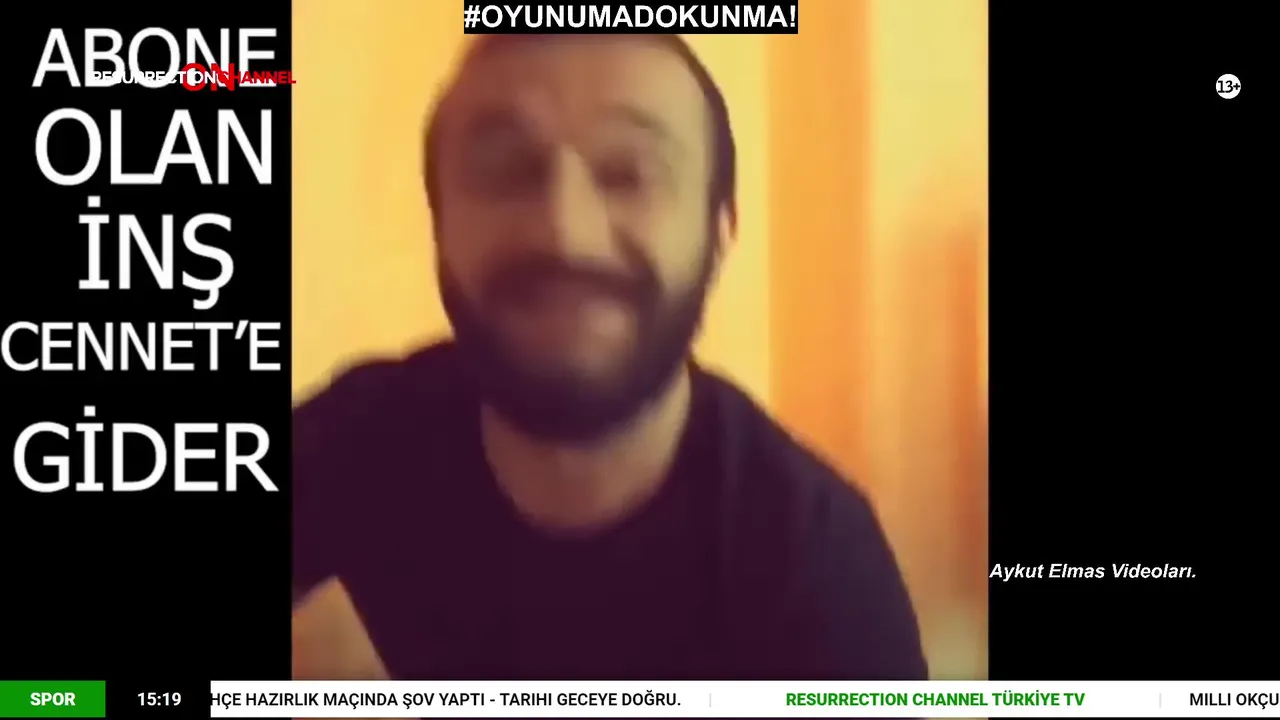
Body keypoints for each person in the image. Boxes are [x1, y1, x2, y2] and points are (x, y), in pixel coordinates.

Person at [293, 33, 927, 681]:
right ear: (440, 226)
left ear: (718, 238)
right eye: (506, 171)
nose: (565, 231)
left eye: (631, 174)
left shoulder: (819, 575)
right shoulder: (361, 436)